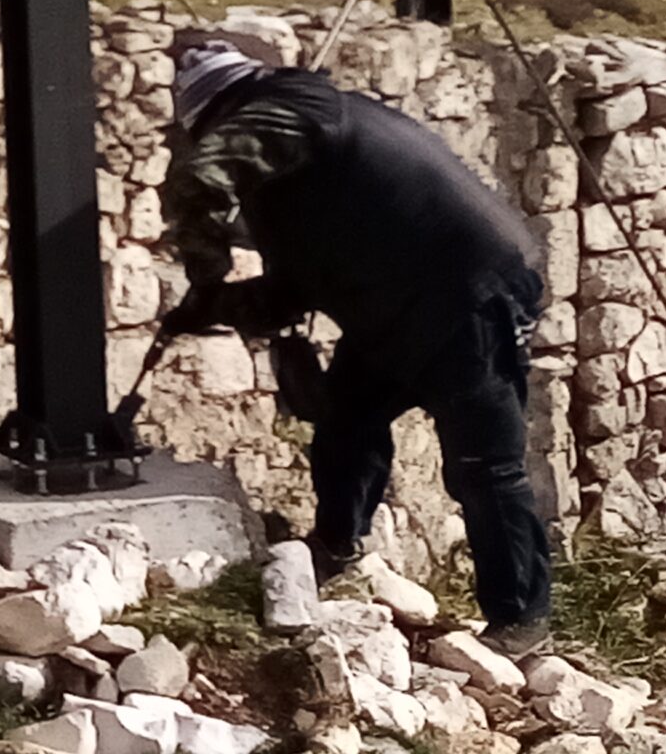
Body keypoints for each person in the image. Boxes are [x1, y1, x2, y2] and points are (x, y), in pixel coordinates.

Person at [159, 38, 553, 655]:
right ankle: (336, 545)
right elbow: (298, 284)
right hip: (399, 301)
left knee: (484, 464)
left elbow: (202, 177)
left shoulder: (294, 106)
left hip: (470, 294)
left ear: (217, 115)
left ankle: (519, 622)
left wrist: (205, 275)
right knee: (347, 416)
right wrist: (215, 310)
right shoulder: (297, 168)